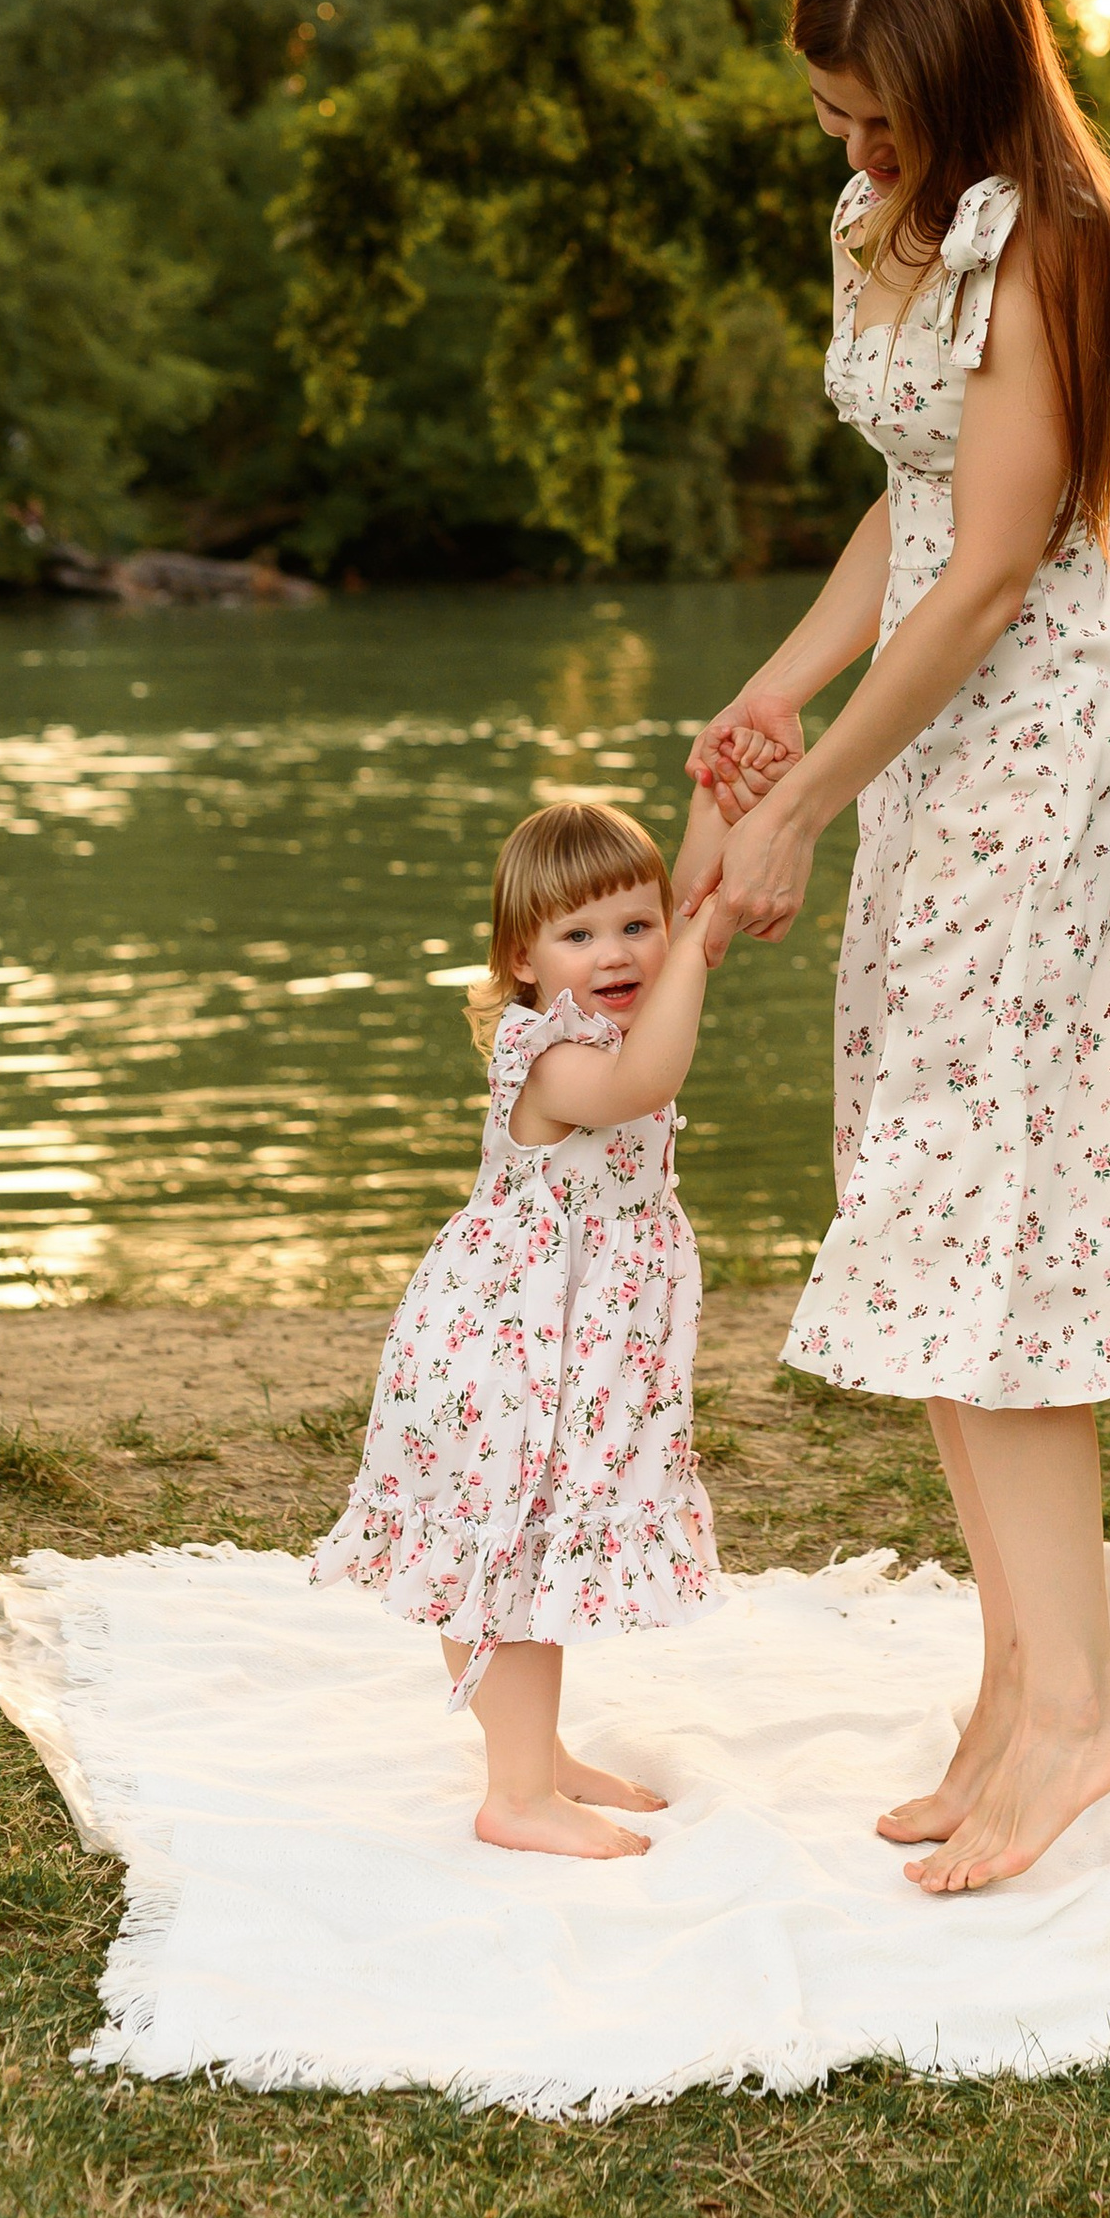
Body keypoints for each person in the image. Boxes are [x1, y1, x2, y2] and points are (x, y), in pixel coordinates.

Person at [685, 0, 1110, 1894]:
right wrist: (771, 696)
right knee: (924, 1198)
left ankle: (1080, 1707)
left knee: (990, 1202)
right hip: (926, 747)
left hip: (1042, 761)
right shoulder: (884, 228)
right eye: (832, 117)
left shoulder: (1051, 238)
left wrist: (804, 799)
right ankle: (1018, 1677)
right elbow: (905, 517)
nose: (851, 145)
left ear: (964, 70)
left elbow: (993, 569)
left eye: (876, 112)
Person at [309, 779, 781, 1860]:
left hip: (568, 1343)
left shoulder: (622, 1010)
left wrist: (716, 800)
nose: (615, 952)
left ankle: (536, 1755)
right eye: (578, 933)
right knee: (511, 1551)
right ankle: (515, 1793)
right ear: (523, 958)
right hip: (511, 1348)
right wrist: (698, 930)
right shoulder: (552, 1055)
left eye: (636, 924)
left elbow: (694, 912)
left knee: (511, 1549)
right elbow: (653, 1071)